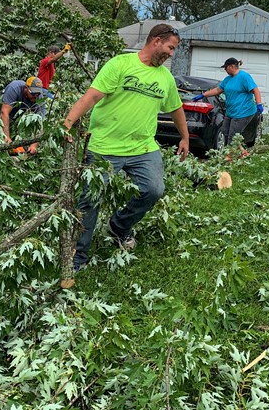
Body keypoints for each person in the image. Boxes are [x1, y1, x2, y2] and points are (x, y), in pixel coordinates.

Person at [62, 24, 189, 272]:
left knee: (153, 189)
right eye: (170, 47)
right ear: (156, 41)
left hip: (143, 147)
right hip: (104, 146)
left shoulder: (165, 78)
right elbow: (92, 96)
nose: (172, 54)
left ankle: (119, 225)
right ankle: (79, 256)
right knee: (90, 200)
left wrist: (184, 138)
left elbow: (176, 109)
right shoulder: (119, 64)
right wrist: (66, 124)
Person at [191, 57, 263, 152]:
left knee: (232, 136)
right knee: (225, 132)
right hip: (231, 112)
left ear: (232, 66)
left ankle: (230, 157)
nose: (225, 70)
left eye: (226, 68)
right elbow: (217, 90)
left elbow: (255, 90)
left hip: (243, 112)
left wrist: (259, 104)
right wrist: (203, 95)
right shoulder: (227, 79)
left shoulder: (244, 76)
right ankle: (243, 153)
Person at [0, 76, 48, 155]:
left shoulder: (39, 98)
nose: (35, 96)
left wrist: (34, 145)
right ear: (26, 88)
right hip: (8, 114)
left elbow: (41, 123)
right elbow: (4, 113)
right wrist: (6, 137)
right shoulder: (14, 88)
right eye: (33, 93)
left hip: (20, 120)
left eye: (37, 93)